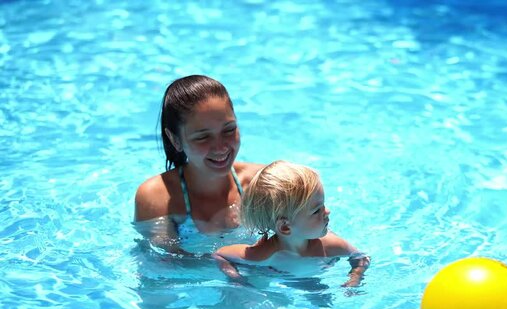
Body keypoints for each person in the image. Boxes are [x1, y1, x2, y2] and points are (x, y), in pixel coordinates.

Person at [134, 75, 263, 253]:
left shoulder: (260, 183)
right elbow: (163, 267)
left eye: (229, 130)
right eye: (203, 137)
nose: (220, 147)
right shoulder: (157, 197)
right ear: (175, 139)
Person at [213, 160, 370, 287]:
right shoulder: (262, 254)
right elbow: (220, 255)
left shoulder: (330, 245)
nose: (327, 211)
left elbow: (361, 258)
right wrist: (237, 279)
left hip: (308, 276)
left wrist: (354, 278)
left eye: (323, 205)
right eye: (317, 211)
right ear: (285, 227)